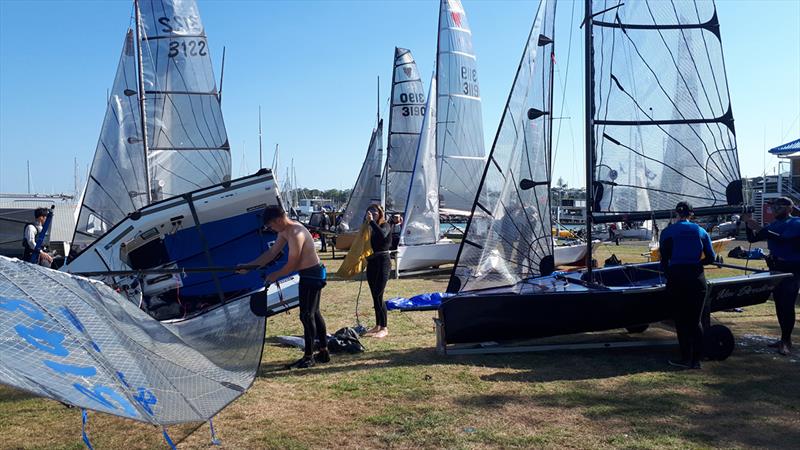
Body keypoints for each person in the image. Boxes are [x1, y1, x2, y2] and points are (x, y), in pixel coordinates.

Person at [238, 205, 329, 368]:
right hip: (307, 274)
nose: (272, 229)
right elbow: (271, 253)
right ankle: (323, 351)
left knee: (307, 315)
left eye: (272, 225)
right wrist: (249, 266)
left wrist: (275, 276)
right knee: (314, 313)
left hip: (313, 275)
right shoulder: (284, 231)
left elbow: (292, 263)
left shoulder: (296, 232)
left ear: (279, 220)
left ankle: (309, 357)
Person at [659, 201, 715, 369]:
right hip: (696, 277)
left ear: (676, 214)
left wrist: (670, 274)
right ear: (692, 214)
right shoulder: (701, 231)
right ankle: (696, 361)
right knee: (695, 320)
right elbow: (711, 258)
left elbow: (664, 260)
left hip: (677, 277)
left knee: (681, 319)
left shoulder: (668, 232)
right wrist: (697, 264)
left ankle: (685, 358)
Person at [743, 196, 800, 356]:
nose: (774, 209)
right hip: (775, 269)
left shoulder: (795, 223)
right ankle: (783, 338)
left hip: (791, 270)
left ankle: (787, 341)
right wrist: (748, 223)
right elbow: (752, 238)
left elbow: (781, 238)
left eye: (778, 207)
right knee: (779, 305)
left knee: (787, 305)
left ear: (789, 208)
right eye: (773, 207)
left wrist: (759, 227)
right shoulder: (774, 224)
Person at [364, 204, 396, 338]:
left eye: (375, 211)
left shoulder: (386, 225)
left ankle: (384, 327)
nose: (372, 213)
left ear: (380, 213)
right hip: (372, 262)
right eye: (369, 211)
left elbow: (382, 235)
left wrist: (371, 221)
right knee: (374, 295)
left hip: (383, 262)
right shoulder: (370, 227)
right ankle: (377, 325)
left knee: (379, 294)